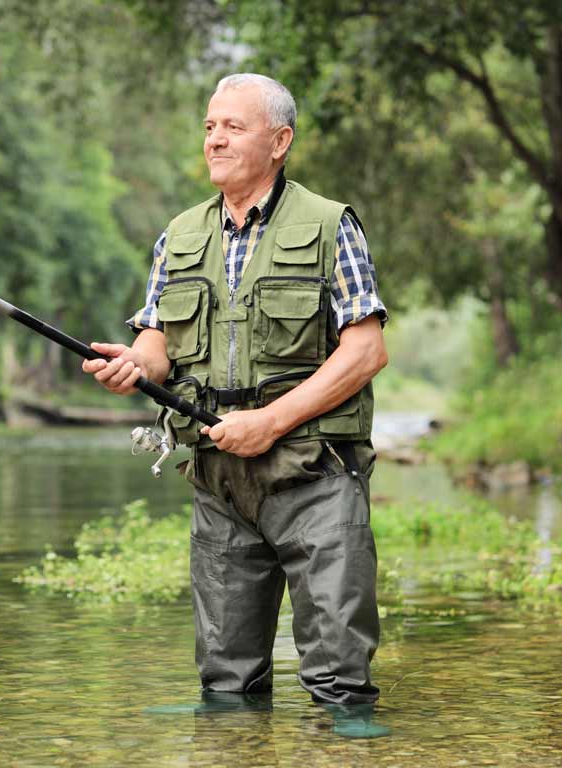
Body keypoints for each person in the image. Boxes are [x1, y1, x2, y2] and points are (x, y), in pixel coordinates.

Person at [83, 73, 389, 708]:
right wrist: (134, 367)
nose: (214, 140)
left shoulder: (332, 226)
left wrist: (270, 422)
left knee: (341, 686)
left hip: (316, 477)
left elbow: (365, 352)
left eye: (233, 127)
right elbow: (156, 346)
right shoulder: (179, 235)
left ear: (280, 141)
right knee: (225, 686)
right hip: (219, 483)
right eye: (208, 127)